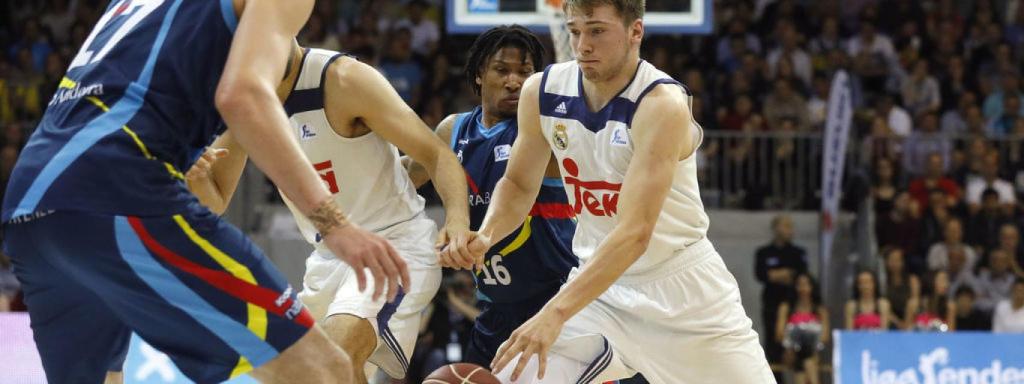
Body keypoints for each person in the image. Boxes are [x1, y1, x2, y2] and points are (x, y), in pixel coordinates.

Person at [0, 1, 415, 383]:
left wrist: (179, 151)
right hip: (117, 188)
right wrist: (336, 223)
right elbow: (243, 96)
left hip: (30, 201)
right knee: (324, 372)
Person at [443, 1, 773, 382]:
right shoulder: (542, 92)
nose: (583, 45)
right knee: (517, 374)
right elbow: (518, 185)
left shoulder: (660, 104)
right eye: (575, 31)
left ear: (636, 32)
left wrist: (554, 313)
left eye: (597, 31)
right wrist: (486, 236)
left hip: (683, 295)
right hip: (599, 290)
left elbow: (635, 235)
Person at [185, 37, 470, 383]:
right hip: (327, 260)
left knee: (335, 357)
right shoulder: (247, 103)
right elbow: (213, 201)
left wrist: (456, 220)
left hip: (394, 244)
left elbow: (435, 153)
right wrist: (196, 176)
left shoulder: (344, 80)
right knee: (294, 375)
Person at [406, 25, 579, 368]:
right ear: (479, 75)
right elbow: (403, 175)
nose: (514, 81)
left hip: (555, 305)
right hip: (494, 309)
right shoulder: (452, 130)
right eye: (502, 70)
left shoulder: (542, 132)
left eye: (525, 72)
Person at [754, 214, 808, 364]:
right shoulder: (764, 252)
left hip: (793, 301)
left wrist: (776, 274)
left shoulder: (798, 252)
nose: (790, 230)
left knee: (796, 340)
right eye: (786, 226)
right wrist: (785, 273)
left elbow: (801, 274)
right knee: (773, 339)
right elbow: (761, 274)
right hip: (771, 301)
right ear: (776, 228)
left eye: (791, 227)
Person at [775, 273, 829, 384]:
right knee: (807, 361)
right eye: (799, 284)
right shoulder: (786, 308)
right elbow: (779, 334)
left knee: (807, 360)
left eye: (806, 284)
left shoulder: (820, 310)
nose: (803, 288)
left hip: (813, 351)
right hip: (791, 352)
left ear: (812, 287)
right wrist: (795, 341)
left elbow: (824, 336)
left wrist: (809, 341)